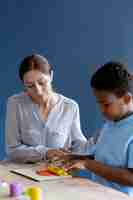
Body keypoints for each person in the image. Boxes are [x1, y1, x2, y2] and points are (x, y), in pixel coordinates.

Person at [63, 61, 133, 196]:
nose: (101, 110)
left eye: (106, 104)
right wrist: (72, 158)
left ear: (126, 98)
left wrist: (89, 165)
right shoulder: (110, 123)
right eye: (99, 103)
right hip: (98, 194)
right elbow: (102, 157)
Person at [5, 54, 87, 163]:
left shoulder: (70, 106)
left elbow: (79, 142)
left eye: (42, 83)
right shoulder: (15, 103)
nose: (38, 91)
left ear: (51, 76)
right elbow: (12, 150)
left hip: (54, 174)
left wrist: (85, 150)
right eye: (30, 85)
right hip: (18, 172)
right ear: (23, 84)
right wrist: (46, 152)